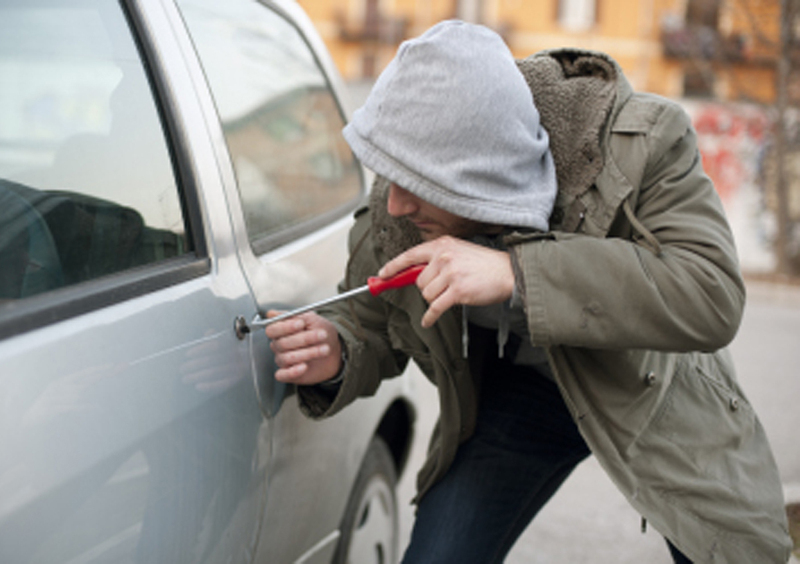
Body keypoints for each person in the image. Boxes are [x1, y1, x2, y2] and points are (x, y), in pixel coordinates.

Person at [265, 20, 792, 564]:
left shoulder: (643, 142)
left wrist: (516, 272)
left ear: (479, 173)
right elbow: (373, 319)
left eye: (417, 185)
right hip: (524, 399)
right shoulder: (404, 196)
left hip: (650, 388)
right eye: (391, 178)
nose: (396, 204)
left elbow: (710, 293)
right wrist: (339, 349)